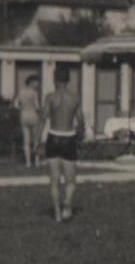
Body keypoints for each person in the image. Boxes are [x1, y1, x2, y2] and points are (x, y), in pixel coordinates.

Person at [39, 65, 86, 222]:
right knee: (70, 180)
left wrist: (38, 140)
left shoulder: (49, 97)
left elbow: (43, 118)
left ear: (54, 80)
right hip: (68, 138)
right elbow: (80, 120)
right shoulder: (75, 97)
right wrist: (80, 136)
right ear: (68, 80)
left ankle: (58, 213)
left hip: (53, 137)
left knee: (54, 180)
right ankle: (67, 203)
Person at [15, 75, 42, 167]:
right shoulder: (34, 93)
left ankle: (28, 162)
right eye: (36, 82)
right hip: (33, 114)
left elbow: (16, 104)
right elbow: (37, 106)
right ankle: (37, 161)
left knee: (26, 140)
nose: (37, 84)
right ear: (31, 82)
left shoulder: (21, 92)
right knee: (36, 139)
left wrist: (22, 108)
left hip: (23, 115)